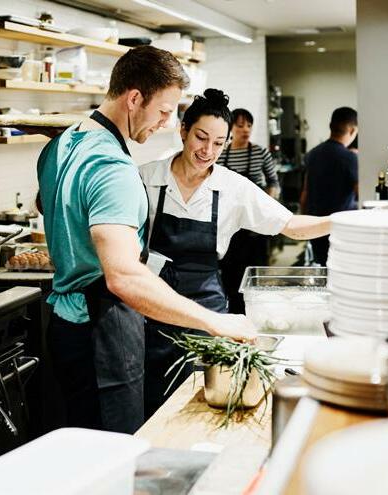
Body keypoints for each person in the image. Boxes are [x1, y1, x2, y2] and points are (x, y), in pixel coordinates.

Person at [37, 47, 256, 435]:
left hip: (64, 325)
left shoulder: (61, 144)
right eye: (163, 111)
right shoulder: (113, 168)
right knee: (116, 447)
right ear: (134, 98)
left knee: (81, 439)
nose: (166, 122)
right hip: (103, 330)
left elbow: (47, 202)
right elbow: (124, 276)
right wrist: (215, 321)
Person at [140, 89, 331, 417]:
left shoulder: (233, 188)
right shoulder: (146, 178)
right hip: (152, 307)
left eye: (218, 143)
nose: (207, 151)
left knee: (203, 400)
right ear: (183, 130)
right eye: (201, 138)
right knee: (153, 397)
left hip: (207, 308)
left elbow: (291, 225)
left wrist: (344, 221)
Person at [217, 108, 279, 314]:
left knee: (256, 272)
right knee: (231, 274)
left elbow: (273, 183)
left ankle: (257, 313)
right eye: (240, 125)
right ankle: (235, 314)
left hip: (255, 225)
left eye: (249, 125)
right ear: (230, 128)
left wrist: (266, 208)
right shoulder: (221, 154)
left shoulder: (260, 152)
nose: (246, 130)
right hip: (231, 224)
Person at [300, 107, 358, 266]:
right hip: (341, 227)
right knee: (342, 270)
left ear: (331, 126)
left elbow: (305, 194)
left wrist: (305, 226)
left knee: (323, 270)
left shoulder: (312, 154)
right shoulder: (350, 158)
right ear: (352, 130)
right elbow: (361, 192)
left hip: (316, 226)